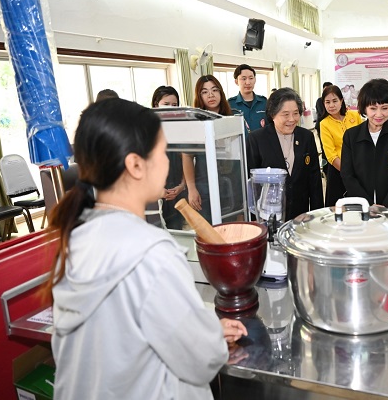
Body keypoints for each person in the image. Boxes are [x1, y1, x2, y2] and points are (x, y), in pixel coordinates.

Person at [46, 98, 247, 400]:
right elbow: (199, 360)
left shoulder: (75, 238)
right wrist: (210, 340)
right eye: (162, 152)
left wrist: (204, 330)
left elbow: (121, 335)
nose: (167, 162)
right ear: (136, 165)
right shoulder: (152, 253)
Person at [247, 88, 323, 220]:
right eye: (285, 114)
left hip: (300, 214)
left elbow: (314, 179)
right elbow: (251, 182)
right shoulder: (257, 139)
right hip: (269, 215)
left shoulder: (306, 137)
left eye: (295, 113)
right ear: (273, 114)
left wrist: (317, 215)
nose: (292, 119)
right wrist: (255, 220)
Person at [341, 78, 388, 212]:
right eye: (373, 108)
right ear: (364, 108)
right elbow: (347, 175)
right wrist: (367, 204)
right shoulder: (351, 136)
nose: (379, 114)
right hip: (360, 207)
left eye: (384, 108)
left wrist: (386, 207)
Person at [183, 75, 233, 221]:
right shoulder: (194, 122)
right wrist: (191, 188)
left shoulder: (232, 119)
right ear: (199, 96)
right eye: (204, 92)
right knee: (208, 228)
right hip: (204, 185)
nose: (211, 95)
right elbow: (187, 156)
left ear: (221, 93)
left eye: (214, 90)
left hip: (231, 183)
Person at [319, 85, 363, 207]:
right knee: (338, 208)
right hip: (338, 171)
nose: (331, 105)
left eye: (335, 101)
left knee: (360, 206)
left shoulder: (354, 115)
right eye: (327, 102)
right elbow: (331, 155)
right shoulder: (324, 124)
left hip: (360, 169)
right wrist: (348, 173)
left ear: (341, 101)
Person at [151, 85, 186, 230]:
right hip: (154, 195)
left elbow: (187, 159)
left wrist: (182, 185)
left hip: (178, 192)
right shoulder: (147, 130)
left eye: (174, 105)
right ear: (156, 105)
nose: (171, 108)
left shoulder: (181, 128)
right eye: (166, 104)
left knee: (178, 232)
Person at [228, 64, 267, 132]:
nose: (248, 82)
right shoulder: (230, 104)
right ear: (236, 82)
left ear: (255, 80)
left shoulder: (264, 102)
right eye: (244, 79)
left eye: (251, 78)